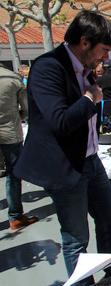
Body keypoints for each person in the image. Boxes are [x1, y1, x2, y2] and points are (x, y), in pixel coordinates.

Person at [14, 10, 111, 286]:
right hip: (65, 167)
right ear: (85, 42)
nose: (105, 58)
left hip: (91, 161)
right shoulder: (48, 66)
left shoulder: (85, 68)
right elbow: (59, 121)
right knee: (76, 238)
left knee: (110, 223)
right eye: (104, 50)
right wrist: (89, 98)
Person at [0, 65, 38, 230]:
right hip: (10, 132)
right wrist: (18, 116)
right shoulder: (12, 79)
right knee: (13, 174)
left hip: (10, 131)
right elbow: (27, 108)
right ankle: (15, 216)